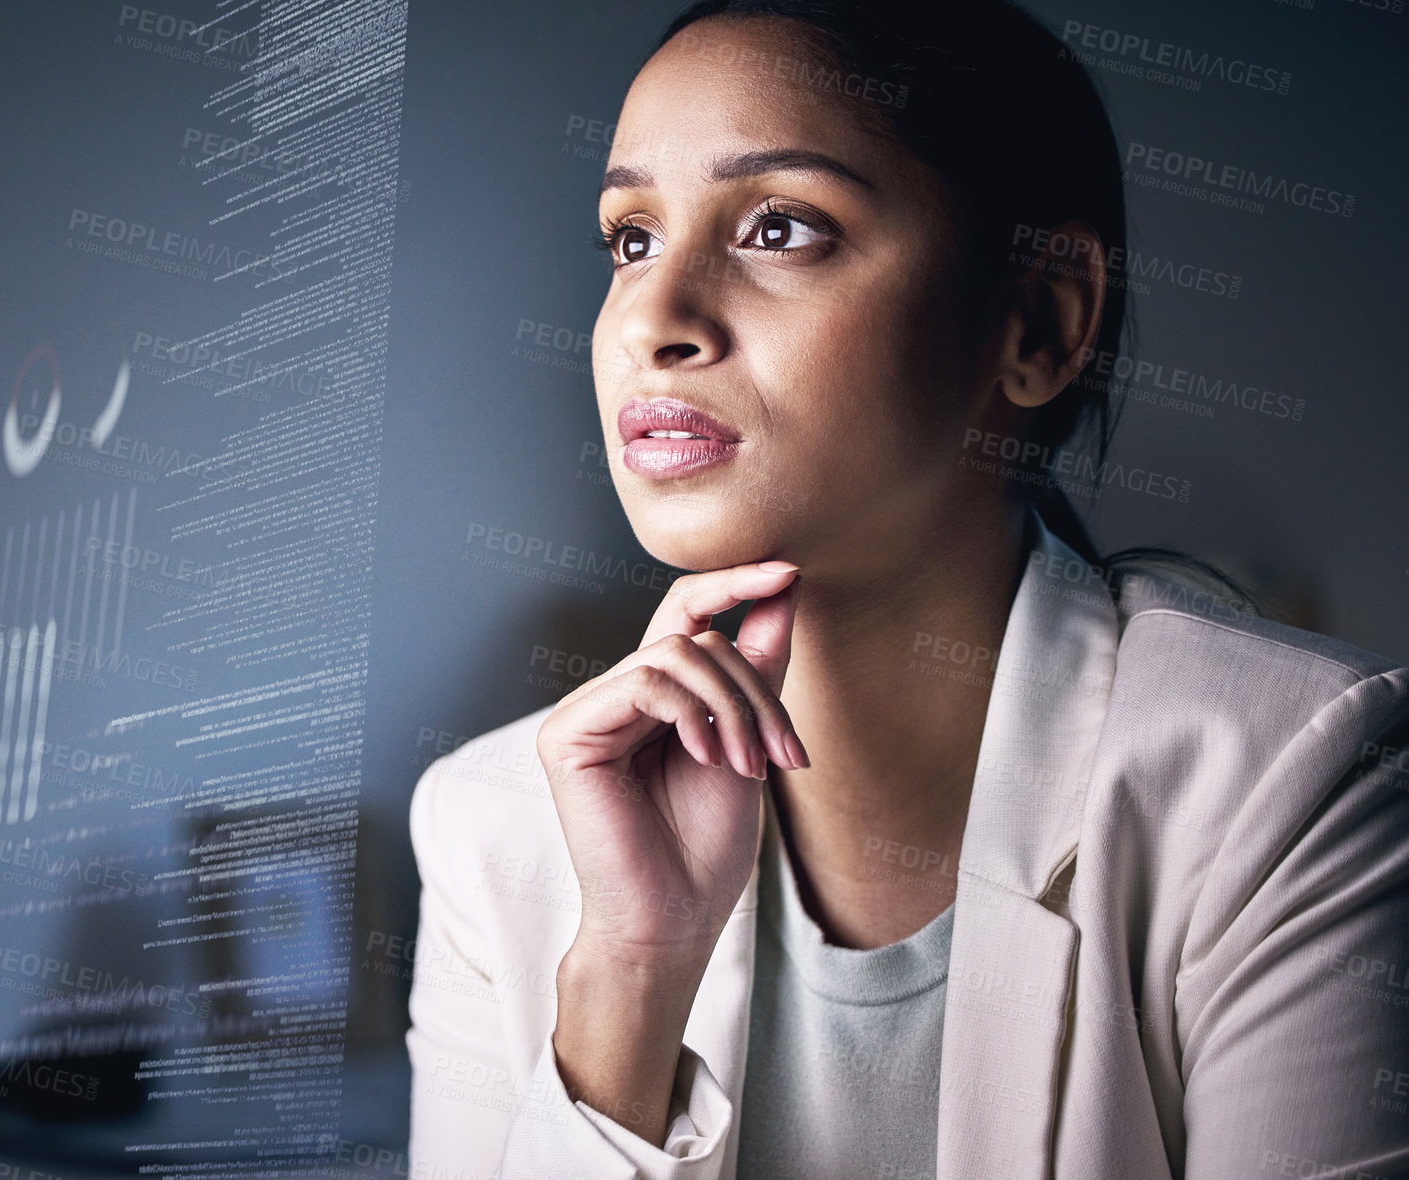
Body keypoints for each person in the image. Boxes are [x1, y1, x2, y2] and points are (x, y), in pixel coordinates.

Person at [404, 2, 1409, 1177]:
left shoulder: (1292, 787)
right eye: (630, 240)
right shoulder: (487, 826)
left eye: (780, 227)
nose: (655, 321)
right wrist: (628, 972)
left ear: (1037, 320)